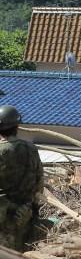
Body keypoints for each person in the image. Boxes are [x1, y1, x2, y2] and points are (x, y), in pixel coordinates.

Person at [0, 105, 44, 251]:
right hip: (26, 216)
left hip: (3, 220)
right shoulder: (32, 149)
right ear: (17, 126)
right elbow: (39, 183)